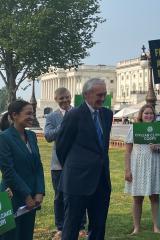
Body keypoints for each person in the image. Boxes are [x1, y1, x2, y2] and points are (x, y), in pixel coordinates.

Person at [56, 78, 113, 240]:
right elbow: (61, 147)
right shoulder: (73, 115)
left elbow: (103, 146)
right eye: (99, 95)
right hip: (77, 182)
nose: (102, 99)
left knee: (99, 226)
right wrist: (75, 167)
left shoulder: (107, 114)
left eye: (104, 95)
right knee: (72, 226)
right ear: (86, 94)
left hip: (101, 181)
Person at [44, 87, 87, 240]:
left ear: (71, 97)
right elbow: (48, 136)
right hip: (58, 165)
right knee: (59, 197)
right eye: (61, 98)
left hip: (78, 163)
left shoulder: (80, 112)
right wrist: (64, 126)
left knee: (80, 195)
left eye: (67, 97)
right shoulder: (51, 117)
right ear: (56, 99)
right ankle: (61, 227)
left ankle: (81, 226)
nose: (65, 101)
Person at [0, 100, 45, 240]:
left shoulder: (31, 136)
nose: (32, 117)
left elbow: (38, 166)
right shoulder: (4, 138)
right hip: (12, 196)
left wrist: (39, 191)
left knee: (26, 235)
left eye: (33, 113)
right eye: (28, 113)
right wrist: (26, 195)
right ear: (14, 115)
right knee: (10, 236)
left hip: (32, 197)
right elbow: (8, 171)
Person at [124, 104, 160, 235]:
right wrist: (127, 170)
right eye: (146, 113)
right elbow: (127, 151)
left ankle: (156, 226)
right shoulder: (134, 129)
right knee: (137, 198)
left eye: (151, 113)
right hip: (137, 165)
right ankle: (136, 227)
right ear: (141, 115)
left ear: (154, 116)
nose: (149, 115)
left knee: (155, 197)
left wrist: (157, 147)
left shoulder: (159, 129)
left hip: (154, 164)